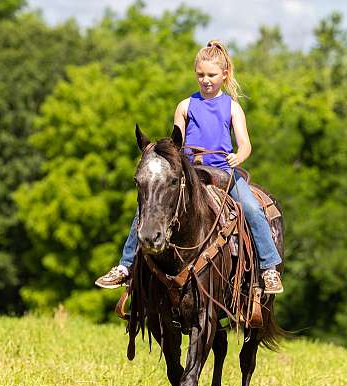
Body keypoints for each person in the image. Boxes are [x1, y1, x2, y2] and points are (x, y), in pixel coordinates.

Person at [95, 39, 283, 294]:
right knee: (147, 209)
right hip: (193, 173)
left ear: (225, 74)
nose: (206, 80)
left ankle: (269, 268)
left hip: (224, 173)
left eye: (212, 75)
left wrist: (239, 157)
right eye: (200, 74)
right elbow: (176, 145)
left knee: (252, 208)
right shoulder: (185, 106)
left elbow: (245, 144)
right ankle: (125, 266)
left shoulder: (232, 107)